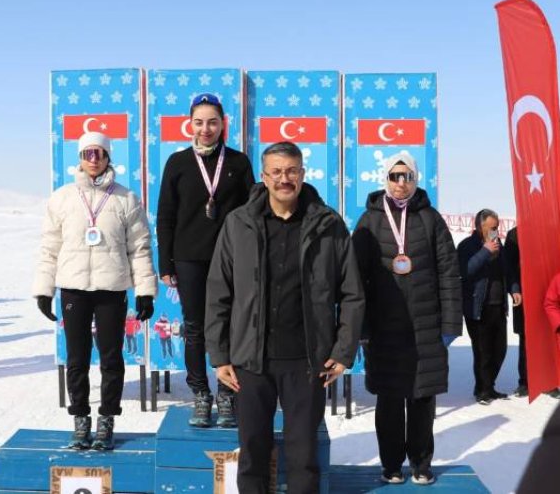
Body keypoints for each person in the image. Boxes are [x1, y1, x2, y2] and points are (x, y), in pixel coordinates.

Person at [205, 141, 364, 493]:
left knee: (303, 455)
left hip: (307, 360)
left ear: (303, 174)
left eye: (291, 170)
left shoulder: (329, 225)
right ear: (263, 177)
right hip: (251, 359)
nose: (284, 179)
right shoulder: (238, 224)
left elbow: (352, 294)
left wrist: (342, 351)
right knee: (252, 454)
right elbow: (218, 292)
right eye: (276, 172)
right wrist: (220, 356)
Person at [33, 131, 157, 450]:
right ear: (79, 157)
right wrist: (44, 290)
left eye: (99, 153)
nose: (93, 159)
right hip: (74, 289)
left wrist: (144, 290)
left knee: (111, 357)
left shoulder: (126, 199)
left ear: (108, 157)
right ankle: (80, 419)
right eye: (87, 153)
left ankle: (106, 420)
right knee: (76, 358)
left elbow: (140, 248)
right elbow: (49, 248)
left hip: (111, 288)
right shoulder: (62, 198)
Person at [353, 152, 462, 485]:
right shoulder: (369, 221)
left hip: (425, 326)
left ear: (415, 180)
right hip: (385, 328)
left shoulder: (430, 219)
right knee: (389, 399)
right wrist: (361, 327)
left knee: (421, 398)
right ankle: (390, 464)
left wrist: (449, 325)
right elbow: (355, 278)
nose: (401, 183)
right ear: (385, 179)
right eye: (395, 176)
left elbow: (448, 273)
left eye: (408, 177)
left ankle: (421, 462)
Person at [157, 93, 255, 427]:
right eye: (199, 122)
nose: (206, 128)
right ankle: (200, 393)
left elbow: (252, 213)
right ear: (190, 124)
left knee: (231, 325)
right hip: (188, 259)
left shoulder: (239, 163)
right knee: (195, 327)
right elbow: (166, 216)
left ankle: (228, 393)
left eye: (212, 121)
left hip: (231, 258)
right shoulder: (178, 162)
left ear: (223, 123)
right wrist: (166, 264)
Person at [458, 209, 519, 405]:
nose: (496, 231)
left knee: (499, 350)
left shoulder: (499, 246)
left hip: (498, 305)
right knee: (482, 351)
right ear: (480, 226)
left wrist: (515, 289)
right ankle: (483, 390)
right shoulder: (467, 245)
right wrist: (485, 251)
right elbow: (465, 271)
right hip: (478, 306)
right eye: (492, 227)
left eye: (497, 227)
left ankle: (489, 386)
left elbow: (508, 271)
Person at [504, 226, 529, 397]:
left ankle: (548, 381)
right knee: (525, 339)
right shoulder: (514, 234)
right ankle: (525, 381)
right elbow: (509, 268)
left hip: (547, 295)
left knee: (547, 338)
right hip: (524, 295)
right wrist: (515, 290)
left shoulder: (550, 228)